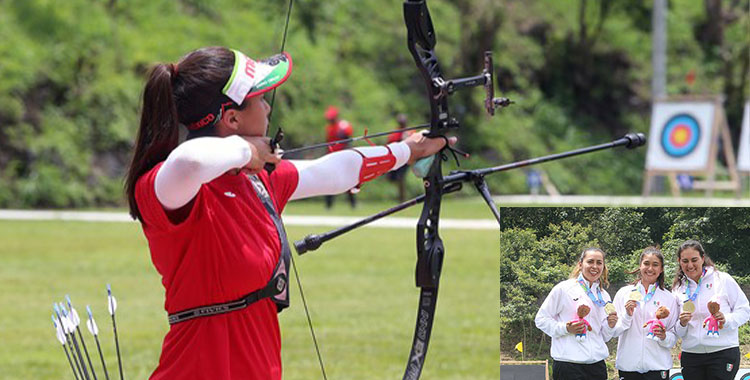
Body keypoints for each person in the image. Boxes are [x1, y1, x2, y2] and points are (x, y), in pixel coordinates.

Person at [123, 46, 452, 379]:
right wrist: (246, 150)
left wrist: (406, 150)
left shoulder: (258, 182)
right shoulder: (164, 188)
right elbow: (190, 161)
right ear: (232, 118)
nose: (267, 108)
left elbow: (335, 172)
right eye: (260, 99)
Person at [535, 248, 618, 380]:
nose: (595, 266)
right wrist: (566, 328)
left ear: (603, 266)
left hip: (597, 366)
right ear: (580, 264)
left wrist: (610, 325)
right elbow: (541, 319)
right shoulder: (564, 289)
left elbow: (603, 336)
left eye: (599, 263)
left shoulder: (604, 295)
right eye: (590, 262)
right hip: (569, 365)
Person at [672, 240, 750, 380]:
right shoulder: (678, 289)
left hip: (722, 351)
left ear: (703, 258)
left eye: (694, 260)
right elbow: (677, 330)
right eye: (685, 261)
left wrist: (726, 320)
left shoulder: (722, 279)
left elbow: (745, 310)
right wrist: (682, 323)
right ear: (679, 261)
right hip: (691, 354)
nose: (690, 265)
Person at [611, 247, 680, 380]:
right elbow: (613, 331)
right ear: (640, 266)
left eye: (655, 265)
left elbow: (673, 337)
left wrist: (664, 336)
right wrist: (627, 316)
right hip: (628, 366)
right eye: (646, 264)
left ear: (661, 269)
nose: (650, 269)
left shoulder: (669, 298)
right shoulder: (624, 293)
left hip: (658, 366)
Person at [323, 105, 356, 209]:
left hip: (343, 157)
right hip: (331, 157)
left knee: (349, 181)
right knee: (330, 181)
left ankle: (353, 204)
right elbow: (328, 143)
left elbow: (348, 140)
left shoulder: (344, 125)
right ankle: (329, 205)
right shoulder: (329, 128)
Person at [387, 114, 411, 202]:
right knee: (393, 178)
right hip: (397, 158)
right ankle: (400, 197)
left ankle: (402, 199)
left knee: (401, 177)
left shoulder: (410, 132)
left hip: (407, 158)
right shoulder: (395, 132)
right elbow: (390, 143)